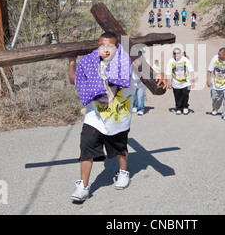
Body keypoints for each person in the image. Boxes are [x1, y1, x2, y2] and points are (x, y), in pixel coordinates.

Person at [68, 32, 165, 202]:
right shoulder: (91, 63)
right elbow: (74, 80)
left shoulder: (130, 67)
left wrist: (161, 75)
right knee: (86, 148)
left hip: (119, 120)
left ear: (117, 47)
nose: (105, 50)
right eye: (101, 45)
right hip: (95, 117)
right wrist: (72, 62)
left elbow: (152, 78)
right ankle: (83, 186)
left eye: (109, 46)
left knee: (120, 149)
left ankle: (123, 172)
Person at [164, 47, 195, 115]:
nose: (176, 55)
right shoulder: (171, 61)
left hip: (185, 83)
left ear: (180, 54)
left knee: (185, 95)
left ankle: (185, 107)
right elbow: (168, 73)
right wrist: (169, 83)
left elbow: (191, 70)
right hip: (175, 83)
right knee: (177, 96)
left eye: (177, 53)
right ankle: (178, 108)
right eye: (174, 53)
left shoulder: (185, 60)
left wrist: (192, 81)